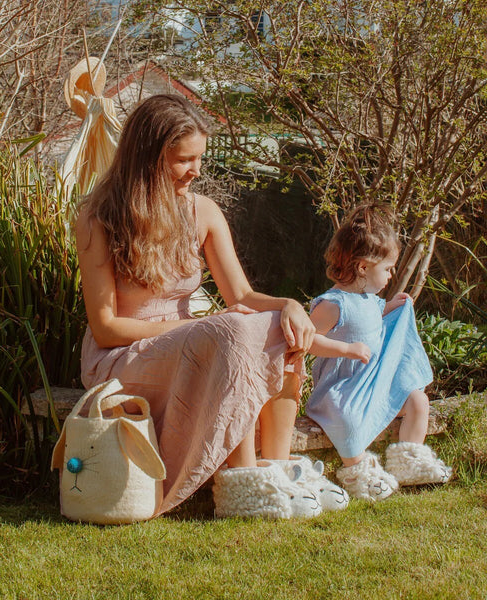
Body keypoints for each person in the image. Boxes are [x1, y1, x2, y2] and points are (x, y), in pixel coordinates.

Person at [74, 93, 328, 519]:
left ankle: (278, 469)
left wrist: (289, 305)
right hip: (121, 357)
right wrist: (198, 331)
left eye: (200, 159)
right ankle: (242, 484)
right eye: (183, 160)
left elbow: (242, 298)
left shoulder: (203, 212)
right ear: (148, 157)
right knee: (233, 333)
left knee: (267, 327)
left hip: (194, 347)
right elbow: (105, 328)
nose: (196, 171)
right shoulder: (100, 219)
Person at [305, 204, 452, 502]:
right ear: (362, 267)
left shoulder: (369, 299)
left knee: (417, 400)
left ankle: (408, 460)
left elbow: (371, 324)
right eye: (386, 269)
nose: (390, 275)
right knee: (347, 420)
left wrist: (391, 308)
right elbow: (304, 339)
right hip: (341, 390)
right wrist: (344, 349)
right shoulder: (334, 304)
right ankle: (358, 471)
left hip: (372, 385)